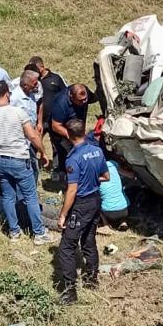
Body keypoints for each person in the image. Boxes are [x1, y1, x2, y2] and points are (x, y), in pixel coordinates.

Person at [0, 79, 50, 243]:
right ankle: (39, 233)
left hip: (0, 160)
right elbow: (32, 135)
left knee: (8, 197)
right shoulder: (18, 112)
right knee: (30, 196)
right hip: (19, 158)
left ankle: (14, 231)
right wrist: (43, 152)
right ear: (7, 94)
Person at [56, 118, 108, 304]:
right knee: (88, 239)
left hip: (82, 204)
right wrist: (91, 179)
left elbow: (72, 190)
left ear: (69, 135)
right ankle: (92, 278)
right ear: (84, 131)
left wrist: (63, 215)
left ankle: (70, 291)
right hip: (96, 201)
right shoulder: (97, 150)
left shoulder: (73, 158)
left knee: (66, 247)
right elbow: (106, 176)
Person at [49, 83, 95, 180]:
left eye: (85, 99)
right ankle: (66, 177)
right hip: (62, 131)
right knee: (68, 154)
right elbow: (56, 126)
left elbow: (95, 98)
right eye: (81, 100)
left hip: (77, 128)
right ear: (71, 97)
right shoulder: (61, 103)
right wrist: (73, 137)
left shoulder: (84, 92)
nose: (85, 101)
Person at [10, 68, 42, 179]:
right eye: (34, 83)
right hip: (18, 142)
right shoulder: (14, 98)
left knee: (33, 169)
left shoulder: (31, 94)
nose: (37, 85)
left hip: (30, 139)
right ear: (25, 85)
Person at [27, 56, 67, 137]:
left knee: (59, 145)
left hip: (55, 118)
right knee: (34, 143)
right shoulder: (32, 81)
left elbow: (65, 94)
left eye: (35, 69)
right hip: (39, 119)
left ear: (42, 66)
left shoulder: (56, 78)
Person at [99, 158, 129, 228]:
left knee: (95, 200)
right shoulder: (113, 164)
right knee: (122, 193)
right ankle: (123, 221)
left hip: (108, 213)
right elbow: (131, 175)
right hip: (124, 210)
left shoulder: (95, 171)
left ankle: (105, 224)